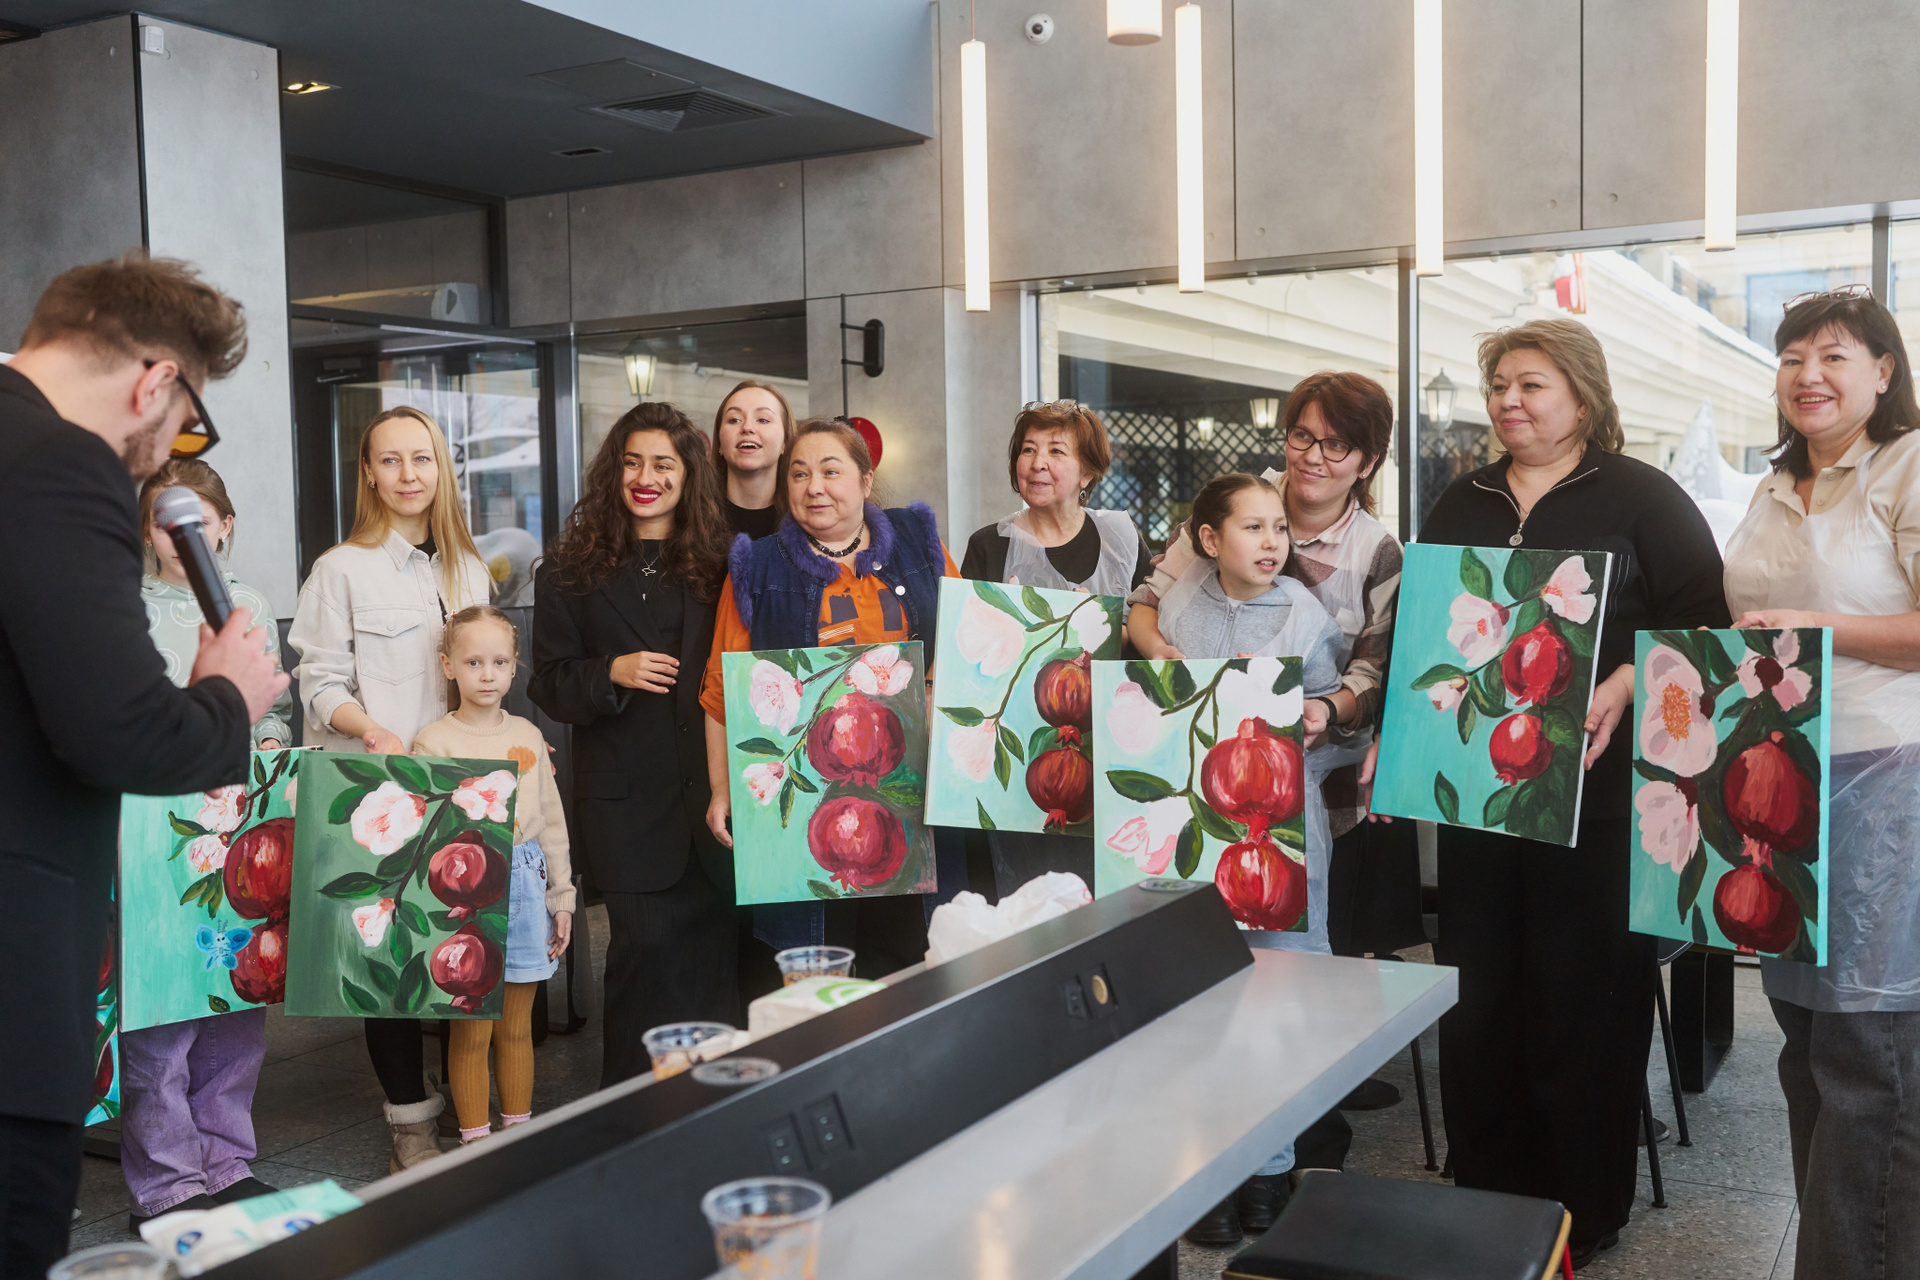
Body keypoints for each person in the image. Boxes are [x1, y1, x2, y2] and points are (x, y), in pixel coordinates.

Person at [1418, 318, 1727, 1266]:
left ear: (1583, 399)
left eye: (1531, 385)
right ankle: (1486, 1192)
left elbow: (1705, 624)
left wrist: (1627, 682)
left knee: (1583, 998)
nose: (1508, 401)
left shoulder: (1643, 497)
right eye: (1499, 385)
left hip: (1602, 798)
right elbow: (1429, 628)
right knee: (1478, 995)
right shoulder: (1461, 497)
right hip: (1480, 795)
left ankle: (1580, 1208)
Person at [0, 253, 285, 1276]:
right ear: (156, 382)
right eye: (185, 425)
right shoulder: (56, 462)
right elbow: (118, 729)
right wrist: (227, 696)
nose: (166, 452)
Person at [1131, 373, 1413, 1133]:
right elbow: (1146, 603)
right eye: (1301, 436)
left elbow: (1374, 670)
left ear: (1368, 459)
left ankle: (1297, 1139)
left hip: (1305, 784)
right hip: (1191, 784)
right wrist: (1163, 659)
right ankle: (1204, 1126)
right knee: (1190, 960)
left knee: (1288, 953)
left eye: (1336, 444)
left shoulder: (1373, 551)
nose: (1313, 455)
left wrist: (1324, 709)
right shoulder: (1233, 506)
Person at [1719, 288, 1920, 1277]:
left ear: (1883, 371)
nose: (1809, 374)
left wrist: (1817, 630)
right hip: (1780, 781)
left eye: (1834, 355)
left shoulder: (1909, 465)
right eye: (1793, 356)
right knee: (1800, 1045)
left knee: (1867, 1056)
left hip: (1887, 783)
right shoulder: (1774, 484)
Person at [1140, 472, 1348, 1244]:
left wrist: (1317, 724)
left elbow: (1340, 723)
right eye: (1253, 528)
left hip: (1278, 846)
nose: (1272, 543)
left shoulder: (1304, 613)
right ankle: (1206, 1173)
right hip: (1190, 839)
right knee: (1196, 1009)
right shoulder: (1178, 603)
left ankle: (1269, 1169)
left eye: (1279, 529)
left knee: (1271, 1009)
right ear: (1208, 538)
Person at [287, 405, 490, 1173]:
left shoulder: (468, 570)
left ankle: (472, 1110)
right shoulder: (341, 568)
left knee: (461, 955)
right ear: (369, 474)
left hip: (462, 788)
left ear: (442, 469)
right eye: (392, 460)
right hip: (378, 791)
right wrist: (369, 728)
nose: (409, 474)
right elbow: (317, 682)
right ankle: (411, 1126)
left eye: (422, 458)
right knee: (389, 971)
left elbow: (486, 672)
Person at [702, 417, 960, 989]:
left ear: (866, 480)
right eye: (799, 474)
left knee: (911, 957)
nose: (813, 487)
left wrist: (932, 685)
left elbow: (962, 636)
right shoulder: (757, 565)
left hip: (917, 792)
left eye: (830, 471)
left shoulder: (918, 540)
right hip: (808, 799)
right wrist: (722, 788)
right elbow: (724, 690)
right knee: (815, 960)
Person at [530, 403, 738, 1086]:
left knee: (714, 969)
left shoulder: (724, 563)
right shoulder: (568, 570)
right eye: (632, 462)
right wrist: (609, 672)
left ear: (689, 475)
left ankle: (715, 1111)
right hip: (626, 809)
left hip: (715, 802)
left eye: (663, 464)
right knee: (641, 964)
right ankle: (630, 1116)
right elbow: (549, 685)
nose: (646, 478)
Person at [118, 459, 295, 1230]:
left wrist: (273, 742)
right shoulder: (120, 604)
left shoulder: (248, 603)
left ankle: (225, 1160)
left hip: (239, 820)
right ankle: (166, 1181)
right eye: (161, 519)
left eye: (194, 518)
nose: (177, 535)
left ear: (223, 526)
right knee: (162, 1005)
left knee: (234, 993)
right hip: (151, 824)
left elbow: (271, 706)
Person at [959, 400, 1153, 896]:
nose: (1037, 463)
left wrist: (1101, 630)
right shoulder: (990, 545)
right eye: (1028, 450)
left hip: (1112, 747)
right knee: (1027, 898)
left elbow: (1149, 630)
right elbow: (969, 659)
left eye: (1056, 451)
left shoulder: (1123, 537)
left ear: (1088, 471)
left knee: (1111, 897)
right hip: (1025, 756)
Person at [411, 606, 574, 1143]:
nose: (487, 674)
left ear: (514, 665)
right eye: (473, 662)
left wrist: (562, 897)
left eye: (499, 662)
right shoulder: (432, 742)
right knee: (471, 1030)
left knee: (516, 1028)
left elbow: (552, 822)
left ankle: (518, 1138)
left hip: (527, 878)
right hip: (466, 892)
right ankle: (475, 1144)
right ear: (448, 666)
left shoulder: (528, 734)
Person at [713, 380, 793, 540]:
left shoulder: (805, 520)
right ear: (719, 443)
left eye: (763, 420)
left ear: (785, 442)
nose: (747, 428)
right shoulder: (691, 519)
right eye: (734, 420)